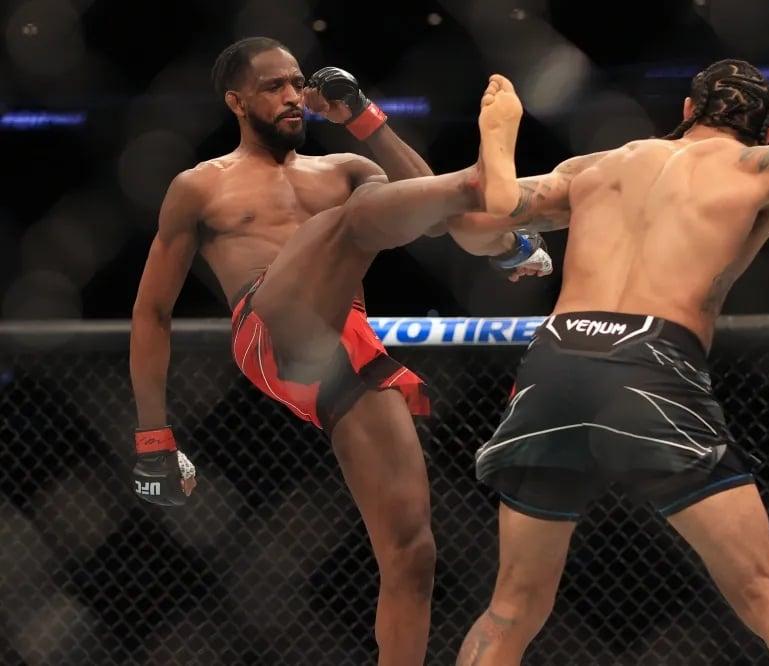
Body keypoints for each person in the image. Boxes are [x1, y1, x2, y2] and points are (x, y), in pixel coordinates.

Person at [454, 60, 769, 665]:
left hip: (555, 361)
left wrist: (515, 246)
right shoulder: (761, 165)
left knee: (511, 608)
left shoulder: (600, 164)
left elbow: (473, 223)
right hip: (649, 367)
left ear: (687, 113)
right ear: (767, 134)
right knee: (763, 593)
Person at [128, 36, 549, 666]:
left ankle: (497, 214)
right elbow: (152, 311)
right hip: (270, 328)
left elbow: (428, 211)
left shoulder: (340, 169)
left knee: (412, 552)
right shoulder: (200, 186)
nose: (295, 96)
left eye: (299, 83)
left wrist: (361, 118)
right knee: (350, 218)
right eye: (274, 86)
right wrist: (153, 436)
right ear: (236, 101)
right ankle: (492, 189)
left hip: (348, 345)